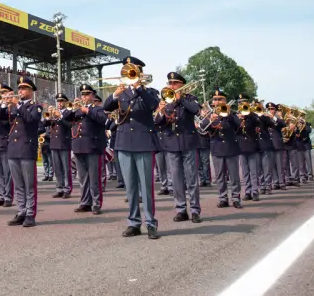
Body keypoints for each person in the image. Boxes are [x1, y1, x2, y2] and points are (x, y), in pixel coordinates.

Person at [104, 62, 160, 239]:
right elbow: (106, 107)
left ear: (141, 74)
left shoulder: (149, 92)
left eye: (134, 72)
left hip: (143, 142)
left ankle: (151, 223)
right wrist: (114, 95)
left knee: (146, 186)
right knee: (130, 187)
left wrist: (139, 88)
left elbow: (153, 105)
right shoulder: (121, 92)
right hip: (124, 143)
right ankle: (134, 223)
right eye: (128, 72)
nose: (131, 74)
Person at [154, 71, 202, 224]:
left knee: (191, 178)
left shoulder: (190, 98)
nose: (172, 86)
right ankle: (181, 210)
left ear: (182, 85)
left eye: (175, 83)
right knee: (176, 179)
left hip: (188, 142)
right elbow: (158, 123)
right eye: (170, 83)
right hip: (171, 144)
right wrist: (160, 111)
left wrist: (181, 100)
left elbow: (196, 110)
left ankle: (195, 210)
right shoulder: (166, 100)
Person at [61, 84, 107, 216]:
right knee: (83, 178)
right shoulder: (78, 109)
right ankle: (85, 202)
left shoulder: (98, 109)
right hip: (78, 146)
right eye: (82, 95)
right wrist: (73, 107)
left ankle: (96, 204)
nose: (84, 97)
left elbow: (103, 120)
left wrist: (87, 111)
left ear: (93, 95)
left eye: (87, 94)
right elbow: (66, 118)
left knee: (94, 178)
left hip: (92, 146)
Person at [6, 76, 42, 227]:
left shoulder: (36, 107)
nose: (20, 91)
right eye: (19, 88)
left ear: (31, 91)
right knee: (18, 184)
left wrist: (18, 105)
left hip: (27, 148)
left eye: (23, 88)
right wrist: (3, 106)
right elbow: (2, 120)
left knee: (29, 184)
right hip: (13, 149)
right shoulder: (14, 107)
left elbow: (31, 120)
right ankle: (21, 211)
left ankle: (30, 214)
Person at [198, 89, 242, 209]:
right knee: (219, 176)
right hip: (217, 148)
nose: (217, 101)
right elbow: (202, 127)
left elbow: (238, 124)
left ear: (224, 100)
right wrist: (209, 119)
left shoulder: (231, 114)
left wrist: (228, 114)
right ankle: (223, 198)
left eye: (219, 99)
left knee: (234, 176)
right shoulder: (210, 114)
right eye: (215, 99)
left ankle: (236, 198)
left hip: (230, 147)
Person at [45, 93, 73, 199]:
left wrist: (60, 116)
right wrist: (48, 117)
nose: (59, 103)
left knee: (66, 168)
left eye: (61, 101)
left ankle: (67, 189)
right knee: (57, 168)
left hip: (64, 143)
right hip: (54, 143)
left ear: (66, 102)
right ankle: (59, 188)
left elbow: (69, 125)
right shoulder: (53, 113)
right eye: (58, 101)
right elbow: (44, 125)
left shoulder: (69, 112)